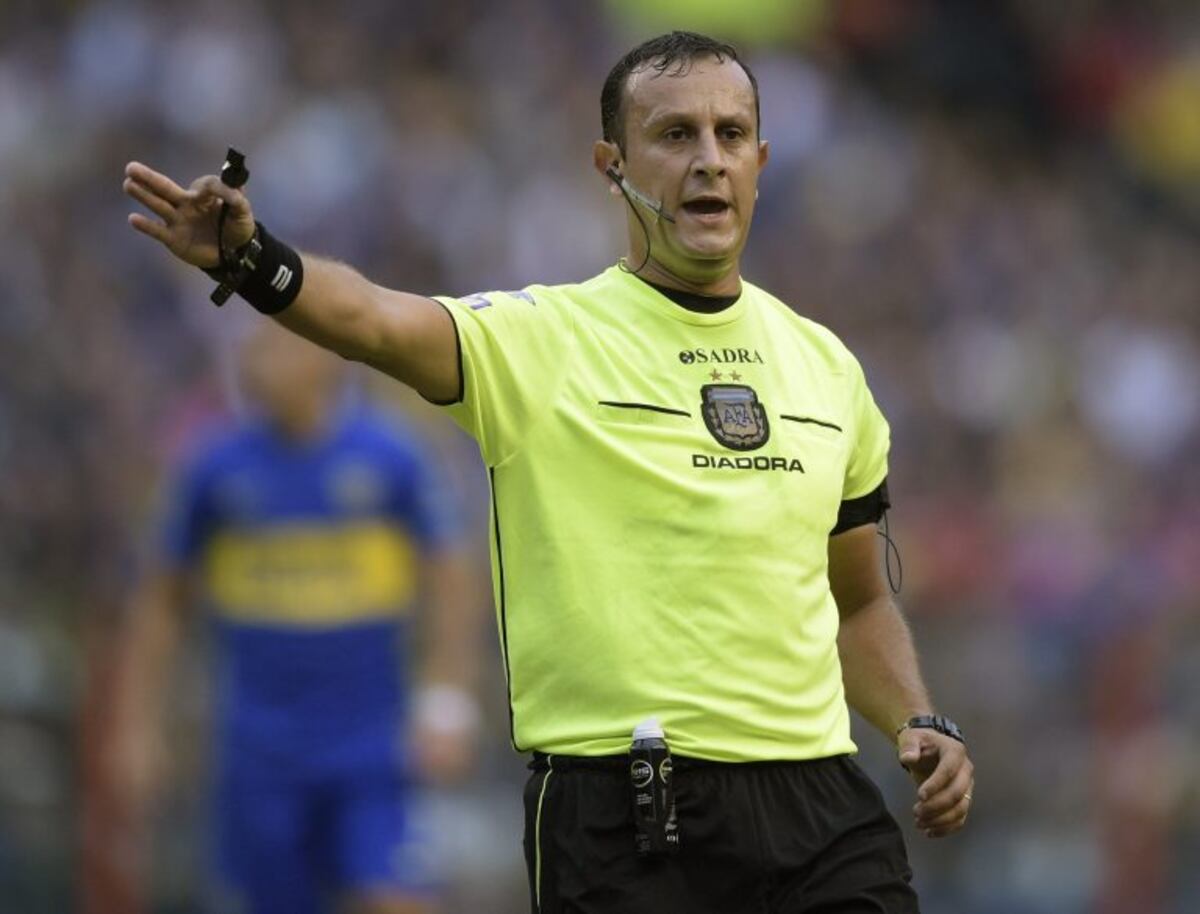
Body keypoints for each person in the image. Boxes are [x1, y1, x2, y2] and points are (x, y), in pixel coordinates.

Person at [123, 29, 975, 914]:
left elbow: (862, 601)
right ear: (612, 164)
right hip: (628, 820)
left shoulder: (828, 370)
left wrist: (915, 718)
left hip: (819, 812)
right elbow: (376, 320)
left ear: (761, 159)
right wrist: (250, 259)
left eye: (730, 135)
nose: (709, 162)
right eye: (676, 135)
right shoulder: (540, 341)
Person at [109, 319, 481, 914]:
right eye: (253, 348)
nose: (258, 362)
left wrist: (446, 700)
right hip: (258, 751)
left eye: (278, 346)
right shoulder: (214, 470)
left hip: (371, 748)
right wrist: (136, 728)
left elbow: (452, 576)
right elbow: (158, 600)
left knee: (394, 898)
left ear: (329, 359)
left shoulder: (390, 460)